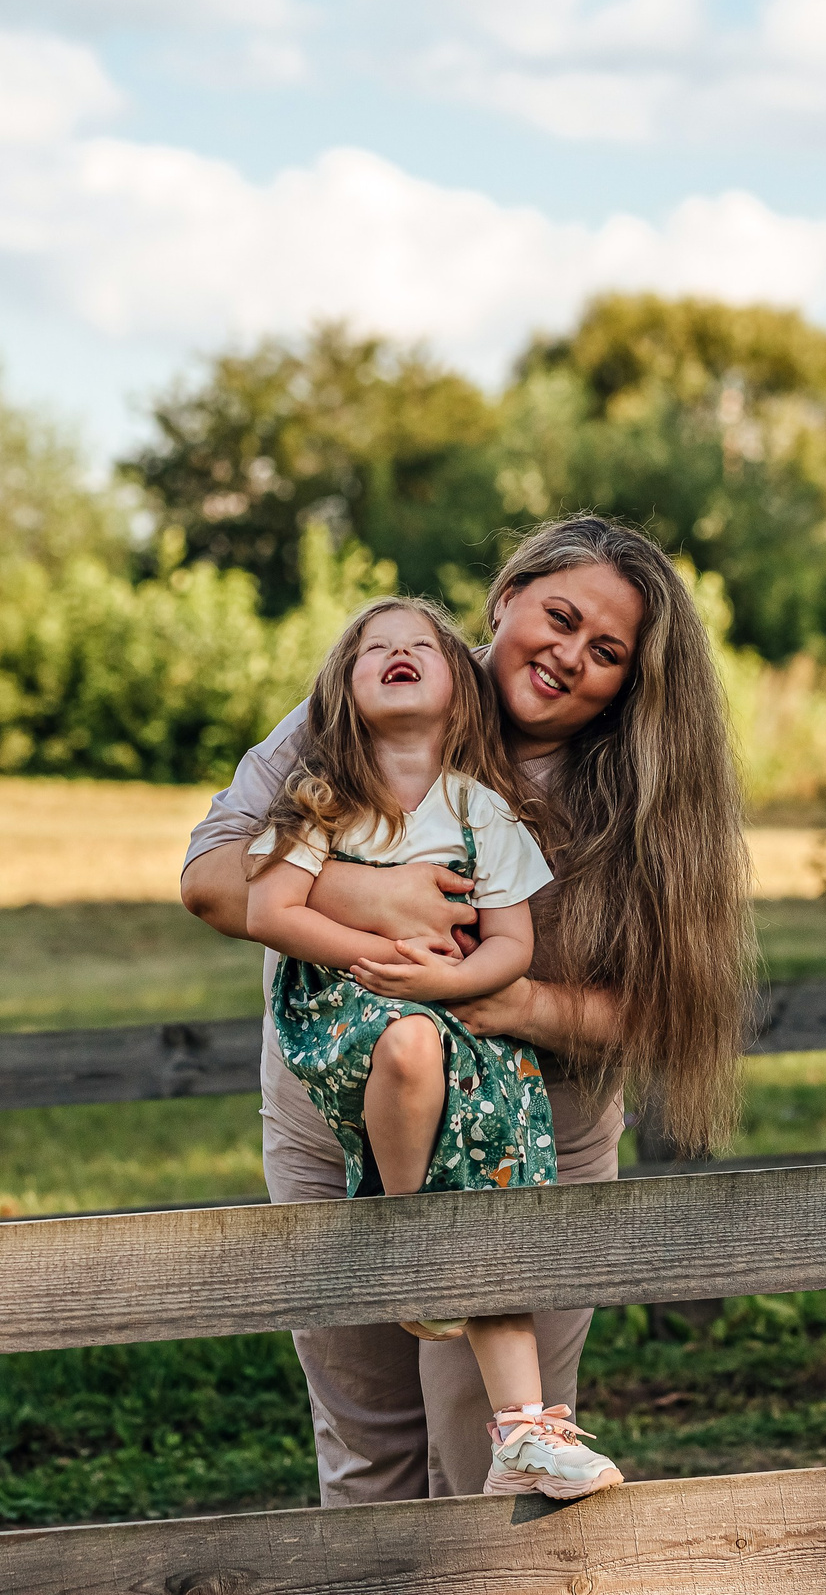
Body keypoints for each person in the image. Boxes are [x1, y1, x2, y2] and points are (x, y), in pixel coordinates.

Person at [181, 513, 755, 1503]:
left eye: (606, 651)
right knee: (366, 1450)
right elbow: (209, 878)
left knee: (493, 1453)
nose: (570, 656)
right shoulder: (385, 689)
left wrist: (522, 997)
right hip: (338, 1136)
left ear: (632, 679)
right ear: (508, 596)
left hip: (529, 1145)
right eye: (559, 617)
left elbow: (666, 1013)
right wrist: (371, 896)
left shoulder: (645, 785)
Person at [243, 593, 621, 1498]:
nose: (399, 653)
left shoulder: (480, 811)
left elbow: (509, 942)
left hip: (468, 1040)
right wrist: (380, 949)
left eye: (420, 645)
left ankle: (524, 1431)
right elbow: (258, 904)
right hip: (354, 1027)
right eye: (377, 647)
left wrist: (454, 984)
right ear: (345, 686)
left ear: (459, 693)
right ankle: (410, 1241)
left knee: (494, 1190)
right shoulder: (322, 796)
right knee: (410, 1049)